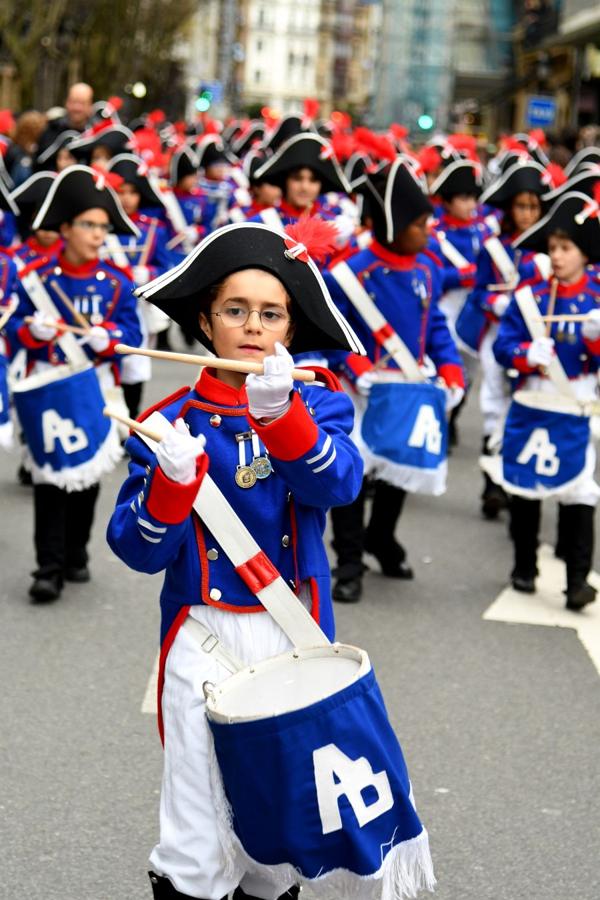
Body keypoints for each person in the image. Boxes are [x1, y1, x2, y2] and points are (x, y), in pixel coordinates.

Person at [106, 219, 365, 899]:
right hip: (203, 635)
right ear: (205, 319)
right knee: (194, 831)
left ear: (291, 327)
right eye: (235, 310)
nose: (253, 325)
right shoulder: (167, 419)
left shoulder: (318, 404)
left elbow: (338, 484)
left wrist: (282, 418)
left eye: (271, 313)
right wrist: (168, 485)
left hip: (291, 634)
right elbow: (135, 548)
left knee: (276, 838)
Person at [323, 159, 465, 603]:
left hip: (406, 383)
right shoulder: (351, 272)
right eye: (420, 223)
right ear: (393, 224)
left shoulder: (426, 269)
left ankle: (381, 538)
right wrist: (356, 370)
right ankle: (348, 558)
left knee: (400, 468)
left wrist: (451, 368)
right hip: (360, 390)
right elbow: (333, 334)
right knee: (354, 472)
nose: (428, 230)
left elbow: (435, 325)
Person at [7, 164, 142, 602]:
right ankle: (47, 567)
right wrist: (34, 332)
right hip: (50, 386)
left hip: (95, 386)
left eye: (104, 226)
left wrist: (112, 338)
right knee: (49, 476)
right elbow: (13, 329)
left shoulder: (117, 284)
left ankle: (76, 552)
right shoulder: (36, 277)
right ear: (65, 227)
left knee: (87, 475)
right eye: (88, 224)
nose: (98, 234)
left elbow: (132, 337)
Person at [493, 191, 600, 610]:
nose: (556, 256)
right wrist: (525, 354)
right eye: (552, 247)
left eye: (565, 248)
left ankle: (577, 580)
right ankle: (524, 566)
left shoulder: (596, 298)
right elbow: (504, 346)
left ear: (585, 252)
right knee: (525, 485)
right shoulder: (530, 295)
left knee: (579, 490)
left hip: (575, 400)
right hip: (534, 398)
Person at [460, 159, 548, 519]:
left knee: (526, 406)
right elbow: (479, 292)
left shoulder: (548, 248)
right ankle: (491, 484)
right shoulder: (495, 246)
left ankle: (515, 477)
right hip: (498, 333)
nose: (527, 213)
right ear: (510, 208)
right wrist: (497, 301)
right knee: (494, 403)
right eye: (521, 206)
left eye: (533, 206)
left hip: (537, 340)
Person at [36, 82, 94, 162]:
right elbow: (38, 162)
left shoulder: (97, 134)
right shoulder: (52, 129)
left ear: (90, 106)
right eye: (73, 102)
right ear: (66, 103)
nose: (76, 108)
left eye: (82, 103)